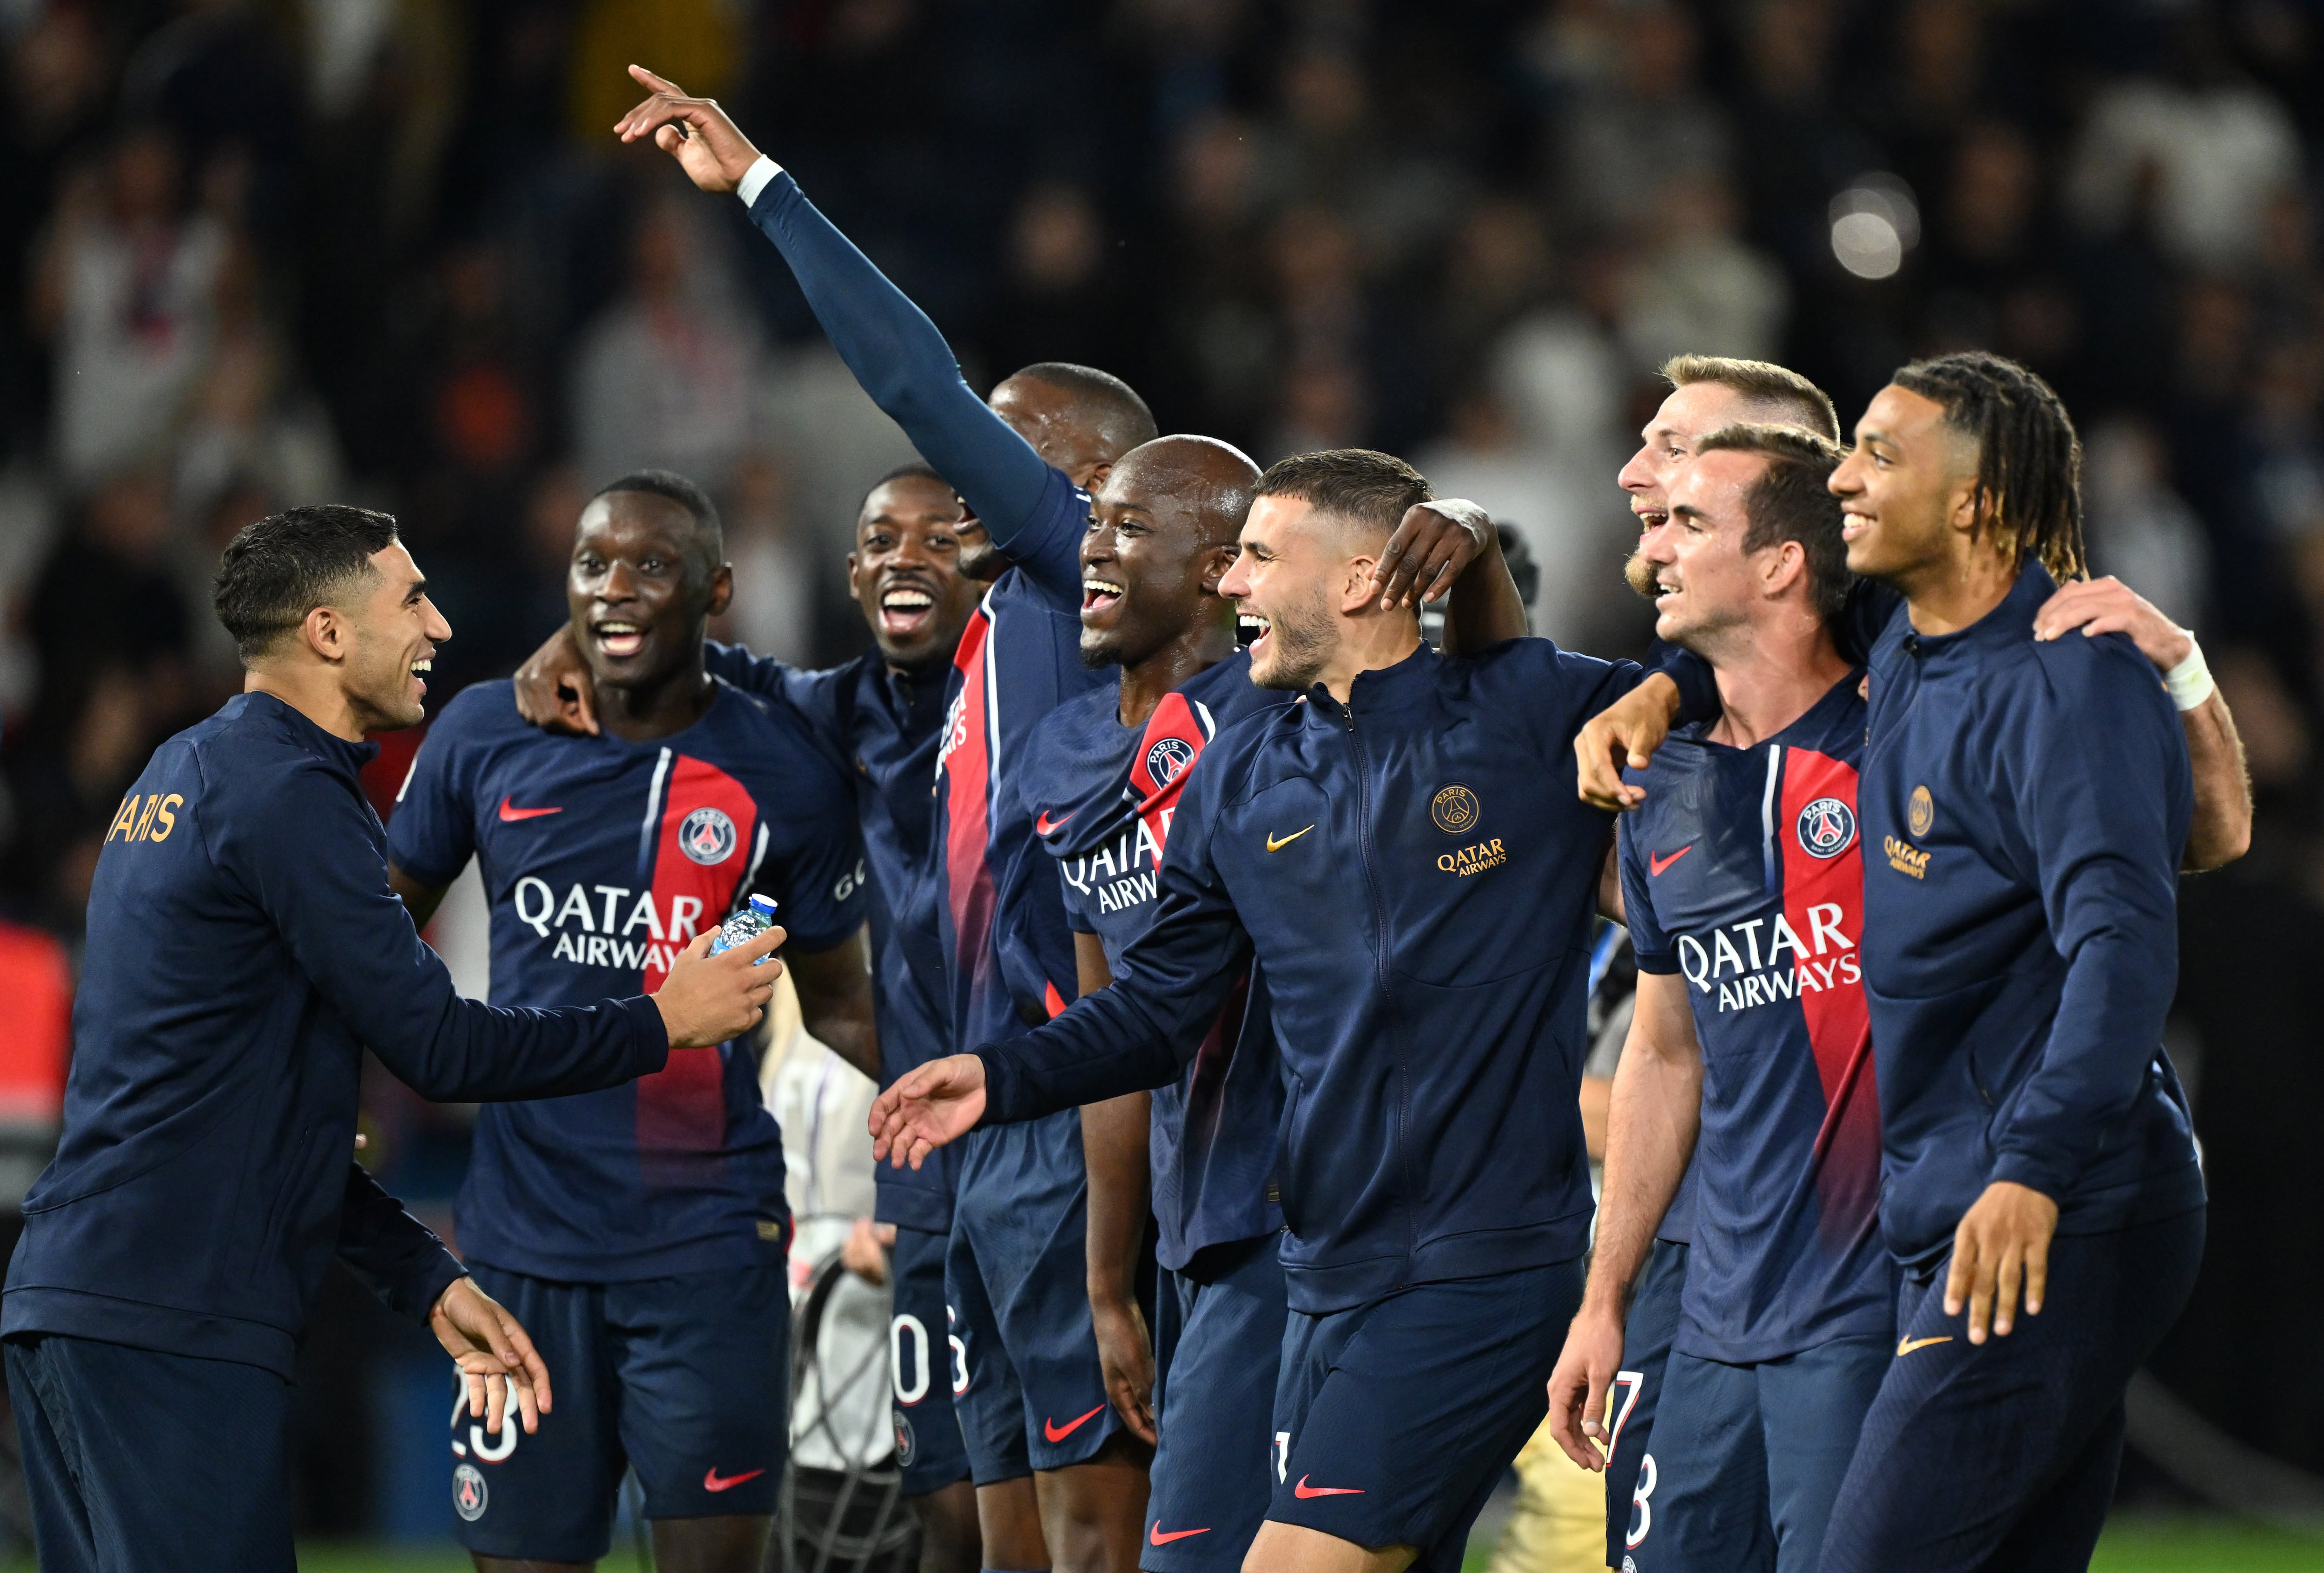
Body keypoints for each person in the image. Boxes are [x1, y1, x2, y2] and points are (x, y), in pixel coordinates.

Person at [609, 66, 1497, 1573]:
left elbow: (915, 385)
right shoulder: (1015, 676)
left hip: (1180, 1154)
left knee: (1113, 1528)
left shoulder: (1113, 612)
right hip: (1005, 1129)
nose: (962, 501)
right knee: (982, 1528)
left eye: (1012, 465)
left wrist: (767, 190)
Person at [868, 449, 1713, 1573]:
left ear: (1364, 577)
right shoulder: (1239, 775)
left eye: (1262, 557)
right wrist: (1001, 1074)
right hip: (1317, 1273)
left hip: (1482, 1273)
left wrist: (1635, 668)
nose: (1233, 587)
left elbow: (1739, 665)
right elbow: (1158, 1007)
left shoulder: (1522, 709)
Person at [1, 506, 780, 1573]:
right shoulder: (292, 793)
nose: (441, 626)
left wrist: (422, 1275)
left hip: (92, 1297)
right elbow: (440, 1046)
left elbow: (246, 1105)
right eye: (411, 599)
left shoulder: (183, 772)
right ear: (328, 632)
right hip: (168, 1317)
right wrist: (660, 1021)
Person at [1580, 352, 2223, 1570]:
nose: (1845, 478)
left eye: (1879, 453)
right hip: (1949, 1203)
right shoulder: (1908, 652)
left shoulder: (2064, 671)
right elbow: (1760, 617)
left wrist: (2176, 666)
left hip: (2052, 1199)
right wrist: (1665, 687)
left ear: (1975, 497)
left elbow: (2134, 940)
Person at [387, 471, 880, 1573]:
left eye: (650, 566)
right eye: (592, 564)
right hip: (521, 1246)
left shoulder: (785, 769)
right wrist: (317, 1083)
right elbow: (377, 941)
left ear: (717, 592)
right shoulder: (484, 731)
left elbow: (846, 1007)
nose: (614, 589)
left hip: (708, 1248)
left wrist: (976, 1116)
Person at [513, 463, 990, 1573]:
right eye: (880, 537)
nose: (905, 557)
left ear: (988, 566)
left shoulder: (1046, 692)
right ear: (852, 572)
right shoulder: (829, 717)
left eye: (938, 536)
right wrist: (572, 640)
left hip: (1071, 1120)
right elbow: (685, 654)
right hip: (954, 1145)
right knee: (956, 1505)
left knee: (1082, 1496)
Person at [1548, 426, 1887, 1573]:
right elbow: (1664, 1054)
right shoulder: (1659, 784)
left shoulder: (1905, 741)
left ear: (1785, 563)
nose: (1656, 553)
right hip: (1709, 1311)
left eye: (1690, 525)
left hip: (1870, 1295)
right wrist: (1607, 1297)